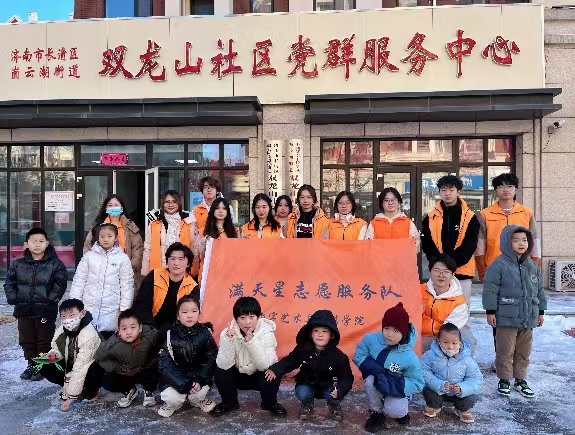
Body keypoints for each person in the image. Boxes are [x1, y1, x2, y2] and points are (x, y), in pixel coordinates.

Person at [483, 225, 546, 398]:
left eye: (524, 240)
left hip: (528, 317)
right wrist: (490, 311)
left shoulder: (532, 265)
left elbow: (539, 290)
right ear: (506, 242)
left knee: (523, 351)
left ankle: (520, 379)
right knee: (505, 350)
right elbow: (490, 289)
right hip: (506, 317)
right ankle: (504, 379)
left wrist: (540, 311)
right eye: (516, 240)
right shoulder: (499, 265)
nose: (521, 243)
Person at [4, 228, 68, 381]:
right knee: (27, 340)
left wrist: (50, 299)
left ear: (47, 243)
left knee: (44, 340)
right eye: (34, 241)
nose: (37, 244)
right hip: (23, 309)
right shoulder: (18, 264)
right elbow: (9, 282)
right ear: (26, 244)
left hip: (45, 310)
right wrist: (13, 298)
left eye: (41, 241)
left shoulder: (55, 264)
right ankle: (31, 364)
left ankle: (42, 366)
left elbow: (60, 283)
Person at [266, 310, 353, 422]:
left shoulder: (339, 356)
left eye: (325, 331)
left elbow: (346, 378)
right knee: (302, 392)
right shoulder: (303, 350)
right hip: (308, 383)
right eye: (316, 331)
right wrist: (275, 369)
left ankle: (334, 405)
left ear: (331, 335)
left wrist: (340, 391)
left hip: (329, 386)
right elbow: (290, 361)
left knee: (334, 394)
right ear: (310, 334)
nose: (320, 334)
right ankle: (307, 404)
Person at [353, 302, 424, 433]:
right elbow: (359, 354)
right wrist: (377, 370)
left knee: (395, 411)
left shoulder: (409, 356)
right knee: (370, 381)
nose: (389, 334)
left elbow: (418, 382)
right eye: (386, 328)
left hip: (396, 386)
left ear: (404, 332)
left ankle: (401, 411)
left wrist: (394, 385)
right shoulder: (371, 339)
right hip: (377, 380)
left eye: (395, 331)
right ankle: (377, 413)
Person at [211, 297, 286, 418]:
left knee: (272, 371)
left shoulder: (267, 333)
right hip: (237, 374)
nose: (247, 322)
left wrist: (252, 343)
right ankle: (229, 403)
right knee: (220, 371)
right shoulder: (228, 333)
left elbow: (265, 365)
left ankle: (270, 404)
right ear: (236, 319)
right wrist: (229, 341)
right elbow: (223, 364)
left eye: (252, 317)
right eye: (242, 317)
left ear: (258, 317)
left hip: (258, 375)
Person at [421, 175, 479, 322]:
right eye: (444, 190)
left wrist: (450, 265)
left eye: (451, 190)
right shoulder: (430, 217)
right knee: (435, 314)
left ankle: (461, 339)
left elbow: (470, 244)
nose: (447, 193)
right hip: (438, 272)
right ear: (439, 192)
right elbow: (427, 243)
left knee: (461, 316)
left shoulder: (470, 217)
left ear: (458, 192)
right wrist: (439, 264)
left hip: (462, 273)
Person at [157, 295, 218, 417]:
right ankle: (173, 404)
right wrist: (183, 383)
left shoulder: (205, 333)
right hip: (175, 379)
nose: (189, 315)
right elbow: (164, 364)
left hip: (197, 377)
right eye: (185, 312)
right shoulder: (168, 335)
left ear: (199, 314)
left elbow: (211, 358)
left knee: (199, 394)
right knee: (172, 397)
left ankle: (198, 401)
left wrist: (200, 379)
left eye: (194, 311)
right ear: (178, 315)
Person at [70, 223, 134, 339]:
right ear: (97, 238)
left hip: (112, 311)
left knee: (108, 343)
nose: (105, 239)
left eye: (109, 236)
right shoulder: (88, 257)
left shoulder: (123, 259)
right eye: (102, 236)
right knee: (88, 342)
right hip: (88, 308)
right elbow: (78, 281)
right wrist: (75, 304)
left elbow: (127, 285)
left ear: (115, 237)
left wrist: (124, 309)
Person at [40, 299, 103, 412]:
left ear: (82, 313)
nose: (67, 320)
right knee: (46, 365)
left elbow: (80, 368)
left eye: (72, 315)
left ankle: (91, 391)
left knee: (95, 370)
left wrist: (71, 398)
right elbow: (56, 348)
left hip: (88, 366)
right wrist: (52, 355)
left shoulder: (89, 335)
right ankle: (72, 388)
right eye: (63, 316)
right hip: (72, 363)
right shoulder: (61, 330)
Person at [476, 173, 541, 280]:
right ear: (496, 190)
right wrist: (482, 269)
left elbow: (534, 239)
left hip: (523, 267)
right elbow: (480, 243)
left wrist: (535, 265)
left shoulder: (527, 213)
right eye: (501, 186)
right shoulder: (484, 214)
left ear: (516, 190)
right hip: (494, 266)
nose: (505, 190)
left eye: (510, 186)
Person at [94, 309, 159, 408]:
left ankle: (148, 391)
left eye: (133, 327)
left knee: (154, 372)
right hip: (128, 370)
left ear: (140, 328)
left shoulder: (150, 335)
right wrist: (118, 367)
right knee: (108, 381)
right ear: (119, 331)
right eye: (124, 329)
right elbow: (98, 357)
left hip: (145, 367)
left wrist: (153, 361)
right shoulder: (113, 344)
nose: (129, 332)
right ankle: (129, 390)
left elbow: (162, 346)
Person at [421, 323, 482, 424]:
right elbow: (423, 371)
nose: (450, 347)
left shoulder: (467, 359)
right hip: (438, 391)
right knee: (428, 391)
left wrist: (462, 388)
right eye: (445, 342)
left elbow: (476, 379)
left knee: (471, 397)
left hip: (458, 394)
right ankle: (434, 406)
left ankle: (462, 409)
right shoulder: (430, 355)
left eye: (454, 343)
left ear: (460, 342)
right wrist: (439, 384)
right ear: (438, 341)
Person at [133, 243, 199, 333]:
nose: (176, 263)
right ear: (167, 261)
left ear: (188, 264)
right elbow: (141, 304)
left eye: (181, 259)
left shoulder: (192, 286)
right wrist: (151, 328)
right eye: (172, 258)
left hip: (177, 331)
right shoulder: (154, 275)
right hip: (150, 327)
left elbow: (190, 315)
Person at [83, 194, 144, 291]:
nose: (113, 207)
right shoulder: (97, 226)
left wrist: (128, 268)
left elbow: (138, 249)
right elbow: (88, 247)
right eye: (110, 205)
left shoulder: (130, 226)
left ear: (121, 208)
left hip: (125, 272)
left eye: (116, 205)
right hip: (101, 273)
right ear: (106, 208)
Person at [421, 255, 475, 353]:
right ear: (430, 272)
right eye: (437, 270)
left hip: (441, 339)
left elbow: (448, 331)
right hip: (417, 335)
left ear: (453, 274)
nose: (441, 275)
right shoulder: (418, 290)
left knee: (466, 340)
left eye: (446, 271)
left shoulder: (459, 302)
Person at [142, 190, 194, 277]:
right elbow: (147, 248)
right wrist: (146, 272)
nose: (170, 205)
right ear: (163, 203)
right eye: (167, 202)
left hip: (181, 269)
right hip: (158, 270)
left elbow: (193, 247)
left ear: (179, 203)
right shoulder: (154, 222)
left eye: (174, 202)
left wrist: (193, 271)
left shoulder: (188, 221)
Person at [194, 197, 238, 283]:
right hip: (208, 275)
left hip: (228, 274)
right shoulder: (203, 231)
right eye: (217, 208)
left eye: (224, 208)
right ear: (213, 211)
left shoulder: (234, 231)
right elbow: (199, 256)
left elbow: (236, 255)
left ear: (228, 212)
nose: (221, 211)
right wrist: (203, 243)